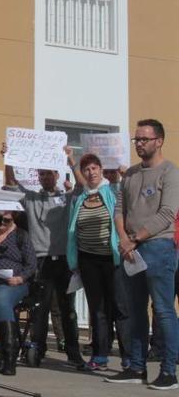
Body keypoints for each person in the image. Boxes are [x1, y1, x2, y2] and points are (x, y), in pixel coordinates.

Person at [107, 119, 179, 390]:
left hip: (158, 248)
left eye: (144, 139)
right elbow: (119, 210)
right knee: (135, 311)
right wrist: (124, 239)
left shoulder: (170, 172)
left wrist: (136, 238)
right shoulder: (131, 174)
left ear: (159, 141)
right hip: (131, 249)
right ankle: (136, 367)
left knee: (162, 311)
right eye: (136, 139)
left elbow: (167, 214)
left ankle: (169, 371)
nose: (139, 144)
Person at [2, 143, 85, 367]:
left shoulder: (67, 198)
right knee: (40, 308)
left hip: (64, 260)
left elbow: (82, 187)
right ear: (38, 176)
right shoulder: (31, 198)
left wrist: (71, 159)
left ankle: (73, 352)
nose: (46, 177)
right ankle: (37, 349)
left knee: (68, 309)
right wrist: (8, 157)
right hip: (40, 261)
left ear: (57, 175)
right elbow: (11, 184)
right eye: (42, 173)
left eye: (49, 173)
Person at [66, 153, 130, 372]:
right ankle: (100, 356)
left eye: (95, 168)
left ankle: (129, 357)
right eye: (87, 169)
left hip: (112, 260)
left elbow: (126, 197)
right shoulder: (82, 197)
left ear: (102, 170)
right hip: (88, 260)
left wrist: (123, 175)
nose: (91, 172)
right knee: (98, 309)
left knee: (120, 308)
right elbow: (73, 230)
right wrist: (72, 162)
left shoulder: (111, 190)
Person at [0, 211, 37, 376]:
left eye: (6, 221)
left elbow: (31, 265)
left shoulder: (21, 235)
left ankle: (10, 354)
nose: (1, 224)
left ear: (13, 218)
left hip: (14, 283)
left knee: (2, 298)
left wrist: (20, 278)